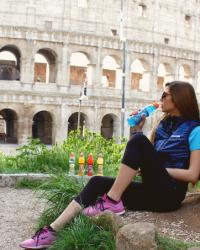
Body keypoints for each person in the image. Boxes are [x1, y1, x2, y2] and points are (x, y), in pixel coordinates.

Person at [19, 81, 200, 249]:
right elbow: (144, 156)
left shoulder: (195, 129)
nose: (160, 99)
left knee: (138, 141)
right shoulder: (162, 126)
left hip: (169, 196)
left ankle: (112, 201)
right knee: (97, 181)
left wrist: (159, 169)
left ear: (178, 98)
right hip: (151, 191)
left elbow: (193, 175)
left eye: (164, 95)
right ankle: (51, 232)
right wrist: (138, 128)